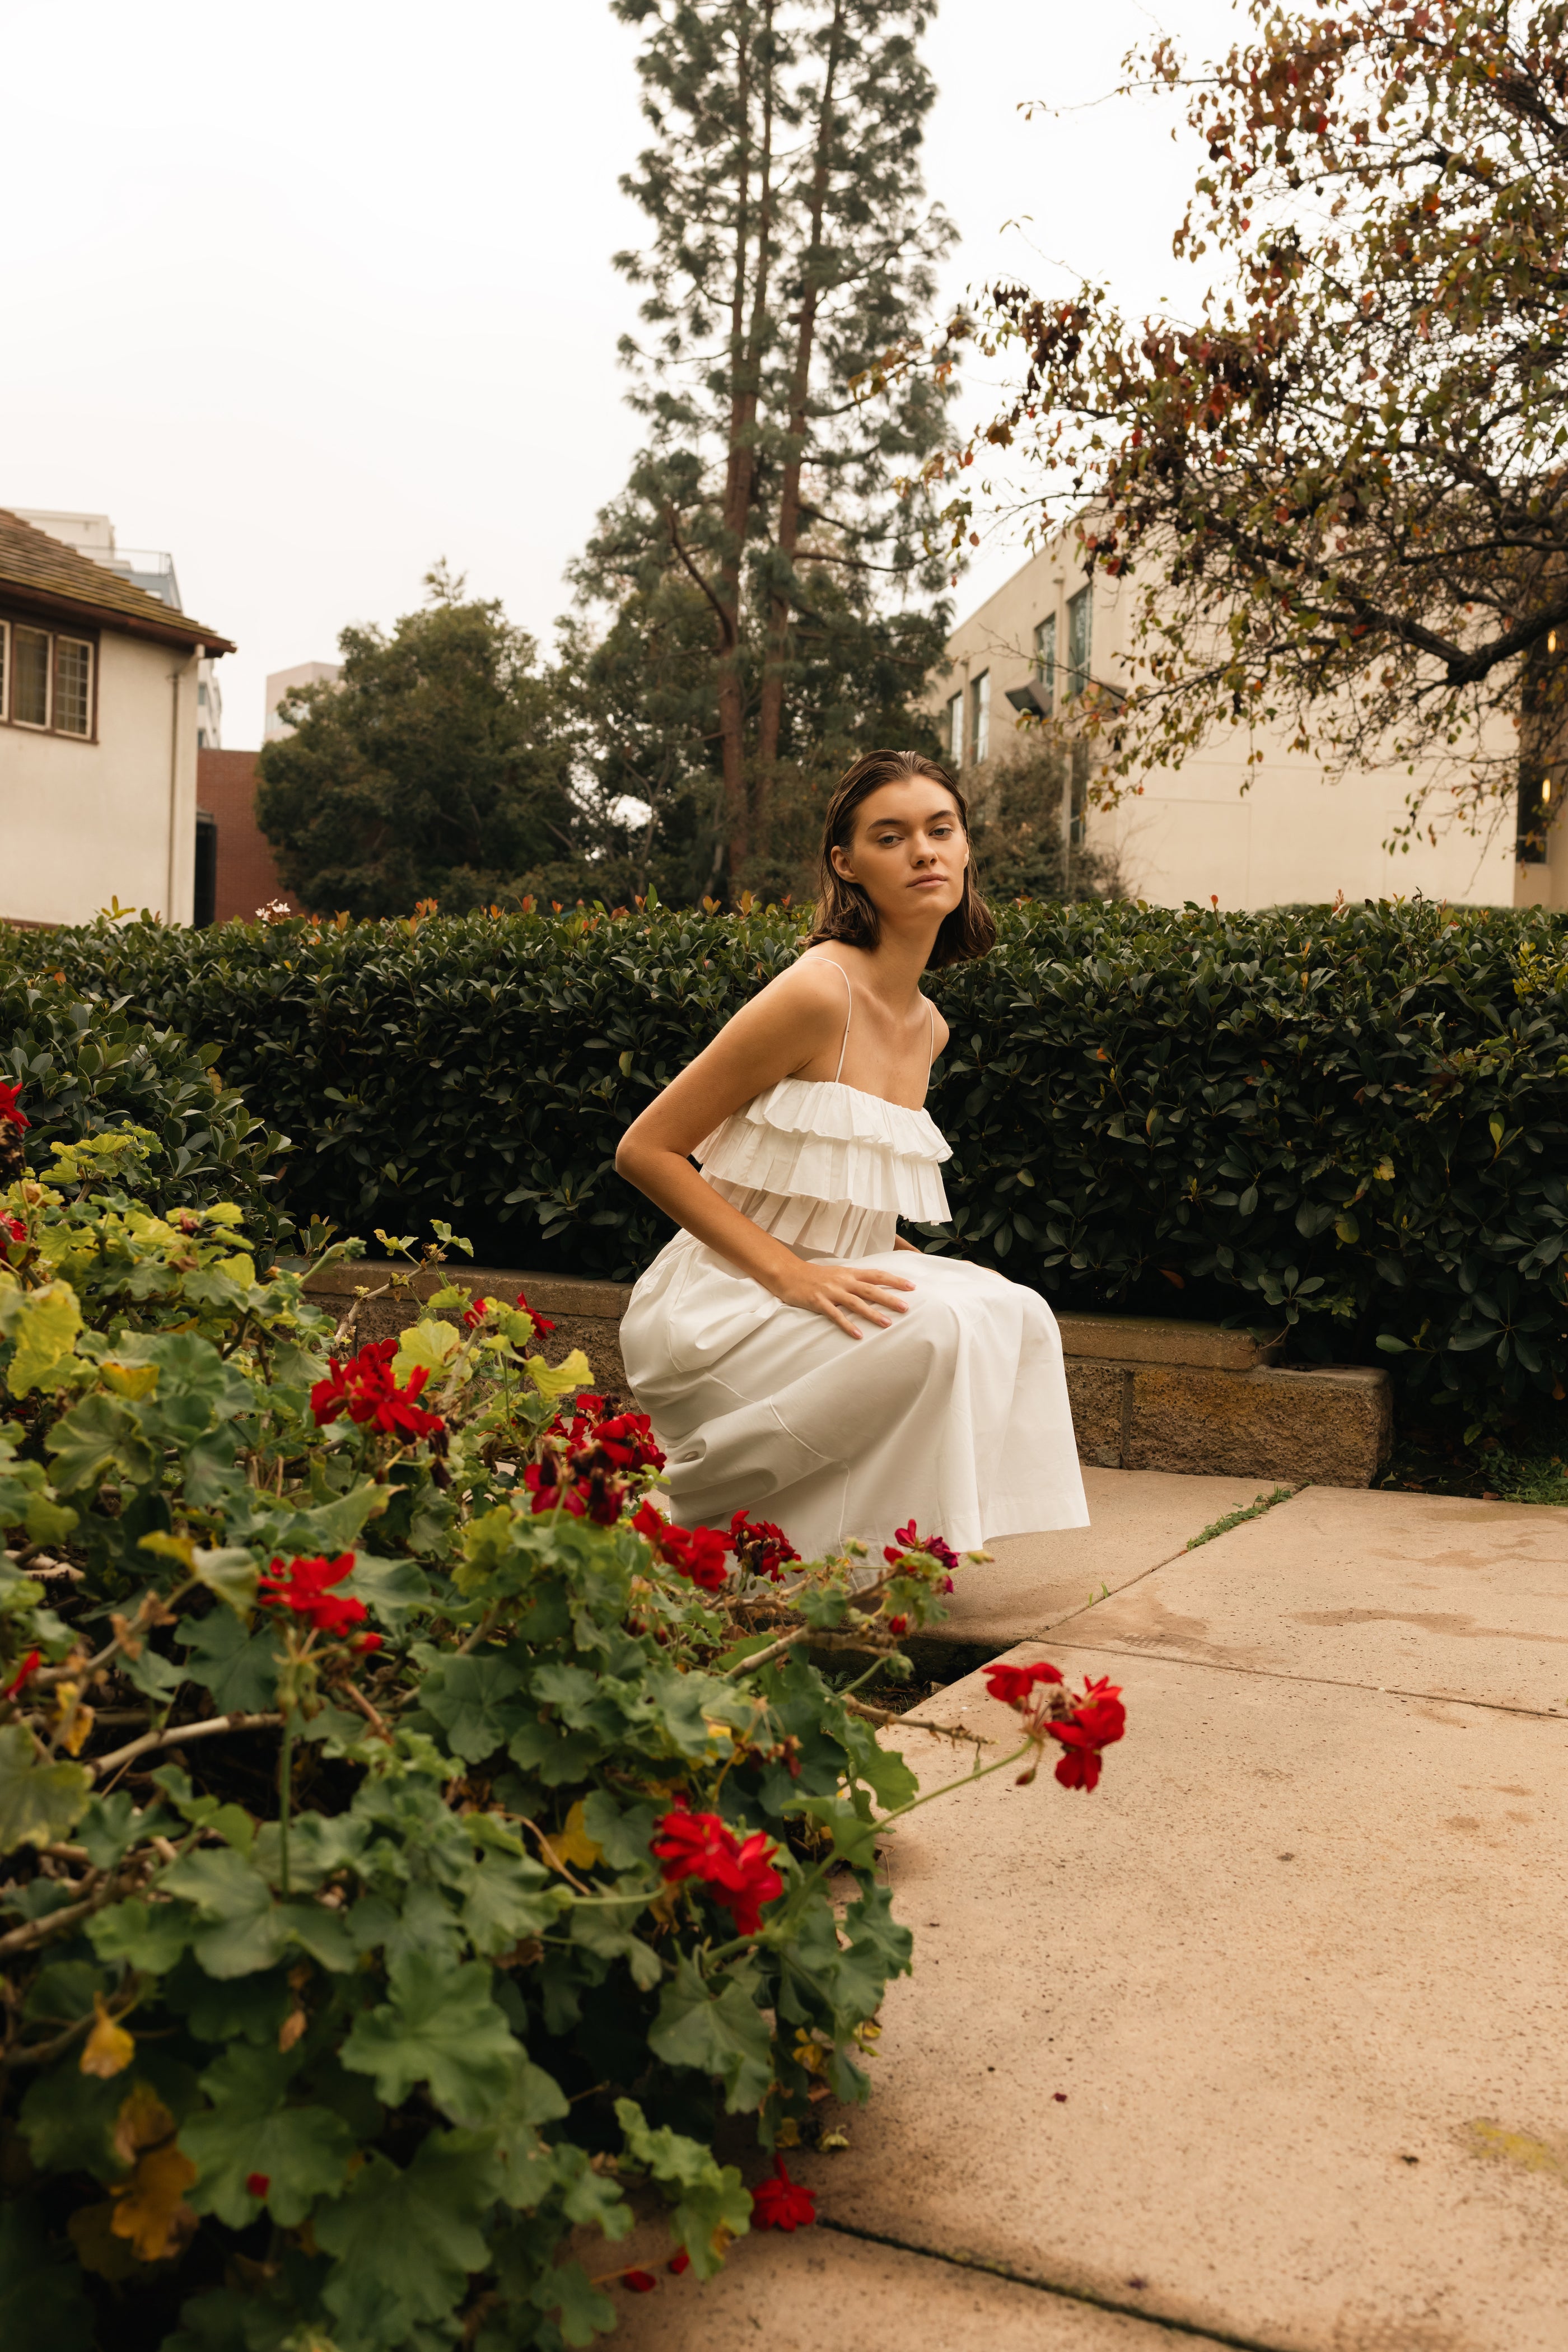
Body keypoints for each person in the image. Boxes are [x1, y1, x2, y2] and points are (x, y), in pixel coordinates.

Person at [615, 747, 1088, 1561]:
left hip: (826, 1278)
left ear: (967, 847)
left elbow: (839, 1166)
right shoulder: (817, 992)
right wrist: (789, 1273)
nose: (924, 852)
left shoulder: (929, 1024)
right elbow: (645, 1149)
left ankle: (881, 1552)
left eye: (941, 830)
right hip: (721, 1304)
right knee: (936, 1325)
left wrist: (882, 1245)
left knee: (1013, 1310)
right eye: (891, 836)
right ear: (848, 864)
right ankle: (694, 1520)